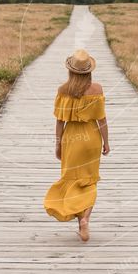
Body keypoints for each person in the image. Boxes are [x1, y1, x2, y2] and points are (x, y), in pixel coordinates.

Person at [43, 48, 110, 242]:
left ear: (71, 70)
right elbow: (102, 119)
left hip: (71, 139)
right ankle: (85, 219)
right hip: (92, 138)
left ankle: (78, 215)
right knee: (89, 181)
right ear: (89, 70)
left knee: (71, 179)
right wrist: (106, 141)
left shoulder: (63, 91)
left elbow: (60, 121)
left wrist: (58, 144)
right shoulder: (97, 89)